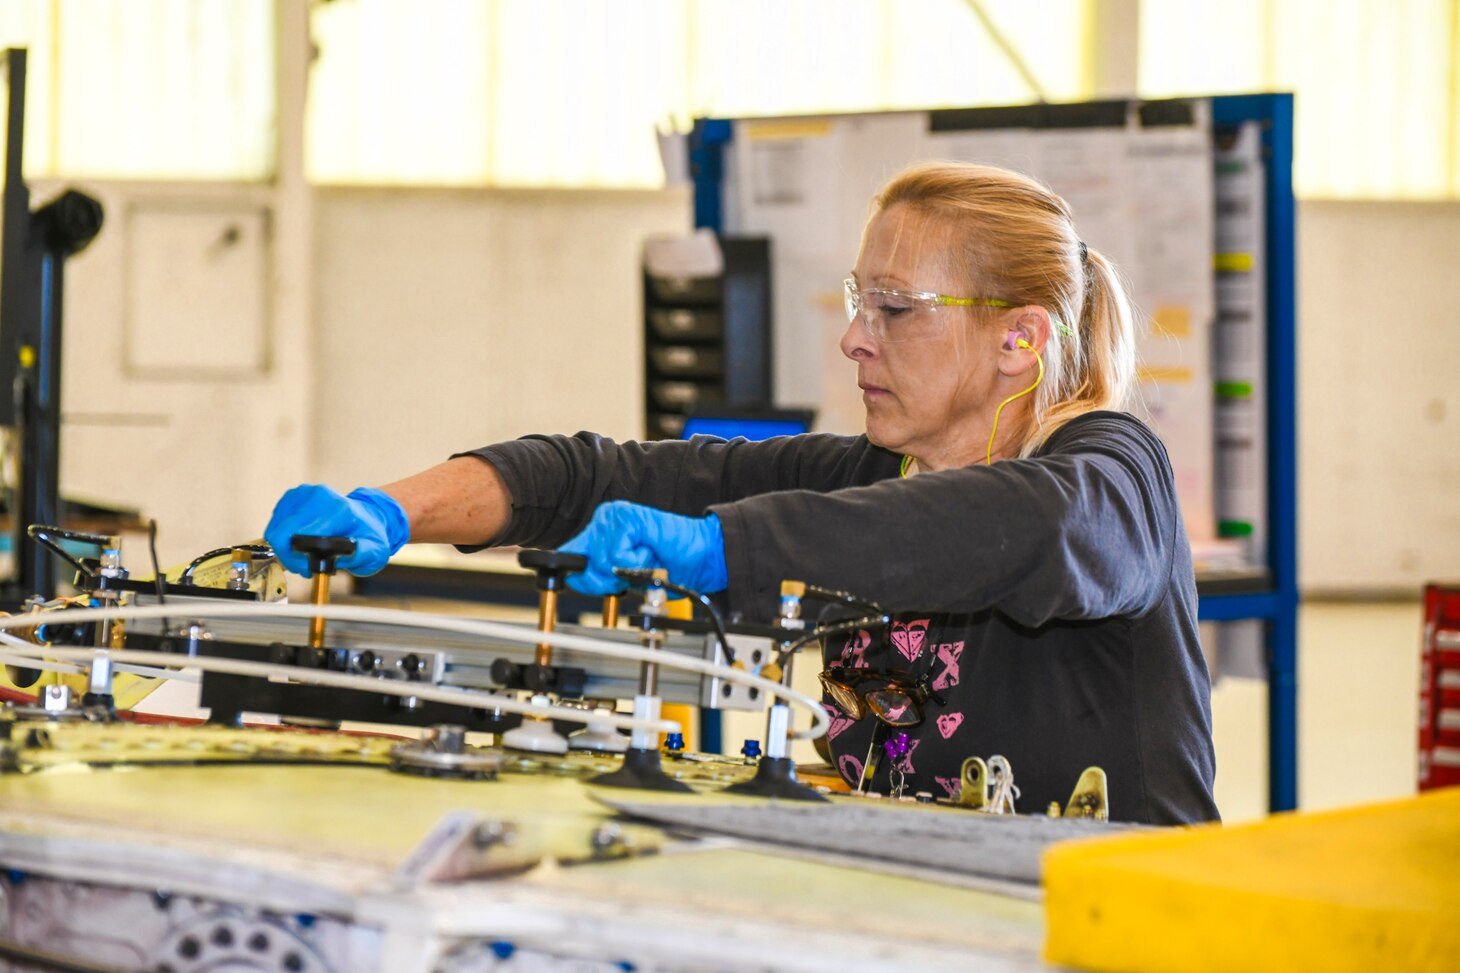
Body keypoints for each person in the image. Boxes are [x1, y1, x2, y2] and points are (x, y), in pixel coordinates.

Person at [265, 162, 1219, 825]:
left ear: (1019, 338)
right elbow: (595, 476)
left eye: (894, 310)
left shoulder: (1113, 474)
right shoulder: (864, 477)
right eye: (857, 302)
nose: (855, 339)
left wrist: (735, 549)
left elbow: (1029, 529)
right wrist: (394, 510)